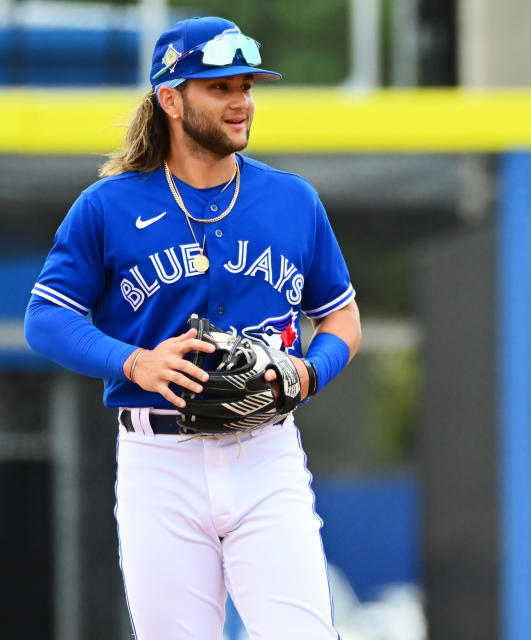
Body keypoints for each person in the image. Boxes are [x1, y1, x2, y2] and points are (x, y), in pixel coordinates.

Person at [24, 16, 360, 639]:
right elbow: (45, 318)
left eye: (247, 87)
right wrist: (135, 362)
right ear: (171, 99)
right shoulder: (109, 206)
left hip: (266, 452)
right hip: (160, 459)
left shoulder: (292, 201)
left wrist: (311, 373)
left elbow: (339, 316)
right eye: (220, 88)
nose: (241, 103)